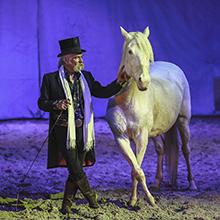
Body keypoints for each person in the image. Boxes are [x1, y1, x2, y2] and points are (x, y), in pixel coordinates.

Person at [38, 36, 126, 214]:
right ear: (66, 59)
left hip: (83, 130)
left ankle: (66, 206)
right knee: (76, 169)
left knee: (74, 169)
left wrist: (119, 82)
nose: (81, 60)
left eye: (81, 57)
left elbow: (101, 91)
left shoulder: (86, 77)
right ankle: (92, 200)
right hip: (64, 132)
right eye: (77, 57)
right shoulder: (51, 79)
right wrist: (56, 104)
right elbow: (42, 103)